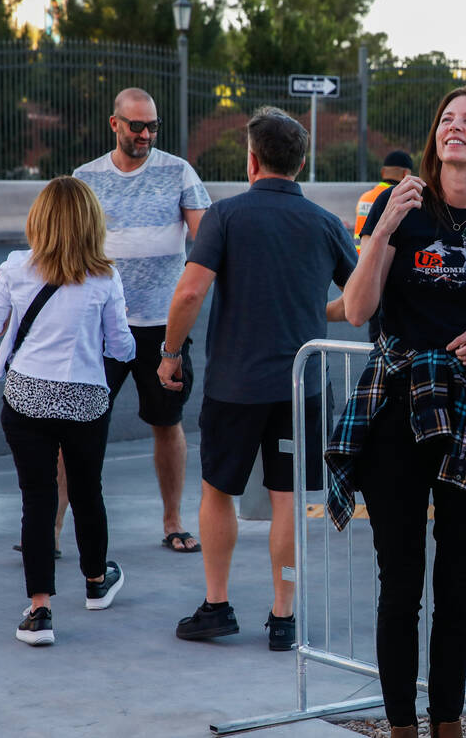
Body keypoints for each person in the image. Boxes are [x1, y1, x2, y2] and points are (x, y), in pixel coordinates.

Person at [326, 85, 466, 738]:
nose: (455, 126)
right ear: (435, 137)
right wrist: (385, 227)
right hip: (395, 410)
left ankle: (447, 724)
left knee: (458, 580)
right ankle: (401, 728)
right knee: (401, 583)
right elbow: (358, 310)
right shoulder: (400, 208)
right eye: (446, 117)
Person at [162, 107, 356, 651]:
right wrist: (319, 313)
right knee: (286, 499)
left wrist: (170, 353)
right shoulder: (324, 223)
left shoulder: (225, 218)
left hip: (234, 385)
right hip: (302, 387)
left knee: (218, 491)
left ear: (251, 160)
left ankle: (218, 606)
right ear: (301, 162)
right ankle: (283, 616)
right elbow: (363, 299)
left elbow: (190, 292)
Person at [0, 176, 135, 646]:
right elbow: (123, 346)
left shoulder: (16, 267)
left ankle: (40, 611)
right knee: (88, 491)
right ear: (91, 223)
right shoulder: (105, 275)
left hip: (25, 397)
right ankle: (95, 582)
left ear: (39, 220)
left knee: (37, 498)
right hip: (85, 398)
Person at [73, 87, 211, 554]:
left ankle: (173, 521)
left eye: (153, 126)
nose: (146, 134)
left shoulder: (179, 172)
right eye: (137, 126)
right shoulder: (85, 178)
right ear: (114, 124)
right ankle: (49, 528)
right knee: (74, 422)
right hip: (100, 325)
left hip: (162, 326)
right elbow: (68, 249)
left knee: (166, 422)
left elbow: (206, 244)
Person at [356, 150, 413, 341]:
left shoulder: (365, 197)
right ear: (406, 174)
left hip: (360, 267)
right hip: (385, 273)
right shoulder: (400, 198)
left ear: (382, 172)